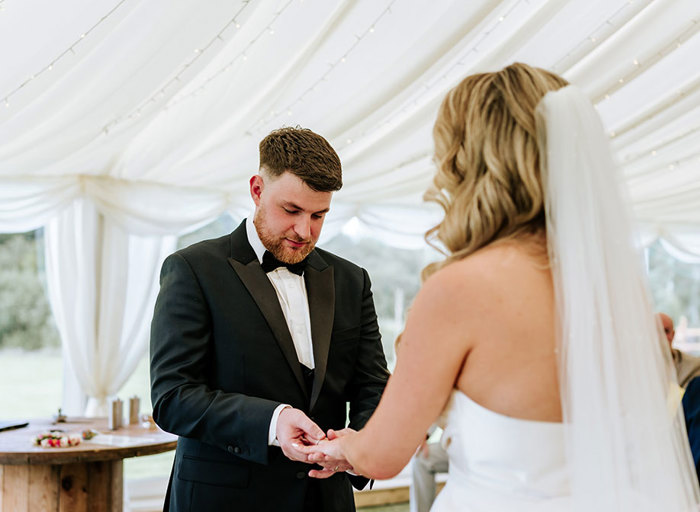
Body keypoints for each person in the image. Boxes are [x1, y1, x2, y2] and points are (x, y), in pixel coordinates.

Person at [302, 63, 700, 510]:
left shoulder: (459, 290)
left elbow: (384, 454)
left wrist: (344, 446)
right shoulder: (611, 290)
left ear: (468, 162)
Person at [150, 127, 390, 512]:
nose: (304, 230)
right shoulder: (192, 270)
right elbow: (173, 397)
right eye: (291, 210)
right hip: (223, 500)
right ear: (257, 190)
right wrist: (273, 421)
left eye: (319, 215)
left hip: (325, 500)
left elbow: (373, 385)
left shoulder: (351, 280)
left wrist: (356, 448)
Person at [658, 312, 700, 388]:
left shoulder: (693, 366)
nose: (661, 336)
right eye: (656, 331)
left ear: (673, 334)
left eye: (666, 331)